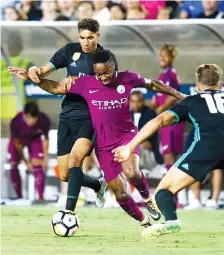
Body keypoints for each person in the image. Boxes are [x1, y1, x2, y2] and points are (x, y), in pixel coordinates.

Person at [9, 50, 185, 229]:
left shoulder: (128, 78)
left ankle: (148, 198)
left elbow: (153, 85)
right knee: (120, 194)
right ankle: (145, 224)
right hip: (103, 144)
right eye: (98, 74)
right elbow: (55, 88)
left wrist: (178, 95)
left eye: (106, 73)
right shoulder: (86, 83)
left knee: (131, 172)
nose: (102, 78)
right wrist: (32, 78)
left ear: (113, 66)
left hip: (126, 136)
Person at [113, 64, 224, 238]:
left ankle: (171, 220)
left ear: (198, 85)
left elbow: (160, 120)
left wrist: (130, 146)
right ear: (221, 84)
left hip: (206, 148)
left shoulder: (193, 100)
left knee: (164, 191)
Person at [13, 19, 110, 213]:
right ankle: (98, 186)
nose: (86, 42)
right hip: (67, 117)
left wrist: (78, 82)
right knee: (66, 174)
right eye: (82, 38)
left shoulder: (105, 58)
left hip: (91, 116)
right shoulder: (68, 51)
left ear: (97, 36)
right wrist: (33, 73)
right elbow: (43, 72)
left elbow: (106, 88)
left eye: (90, 38)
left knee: (76, 159)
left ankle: (68, 213)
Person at [150, 45, 184, 205]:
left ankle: (174, 199)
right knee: (168, 160)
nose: (161, 58)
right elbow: (157, 99)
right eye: (160, 55)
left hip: (171, 121)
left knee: (170, 159)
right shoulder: (162, 75)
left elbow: (172, 97)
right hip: (166, 122)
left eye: (165, 56)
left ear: (171, 58)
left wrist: (160, 112)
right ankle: (172, 197)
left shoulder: (170, 74)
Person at [8, 102, 50, 201]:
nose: (31, 121)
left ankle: (40, 197)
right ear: (24, 115)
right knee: (13, 165)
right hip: (19, 140)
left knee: (38, 165)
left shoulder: (44, 120)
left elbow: (46, 139)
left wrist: (45, 158)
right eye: (29, 118)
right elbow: (17, 144)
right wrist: (26, 162)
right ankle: (19, 197)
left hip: (34, 139)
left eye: (34, 119)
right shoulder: (16, 121)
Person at [130, 91, 163, 167]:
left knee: (142, 145)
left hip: (149, 148)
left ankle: (144, 168)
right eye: (133, 102)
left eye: (138, 101)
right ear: (130, 102)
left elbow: (150, 134)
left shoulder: (150, 114)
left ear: (143, 101)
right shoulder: (126, 115)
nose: (136, 104)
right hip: (131, 145)